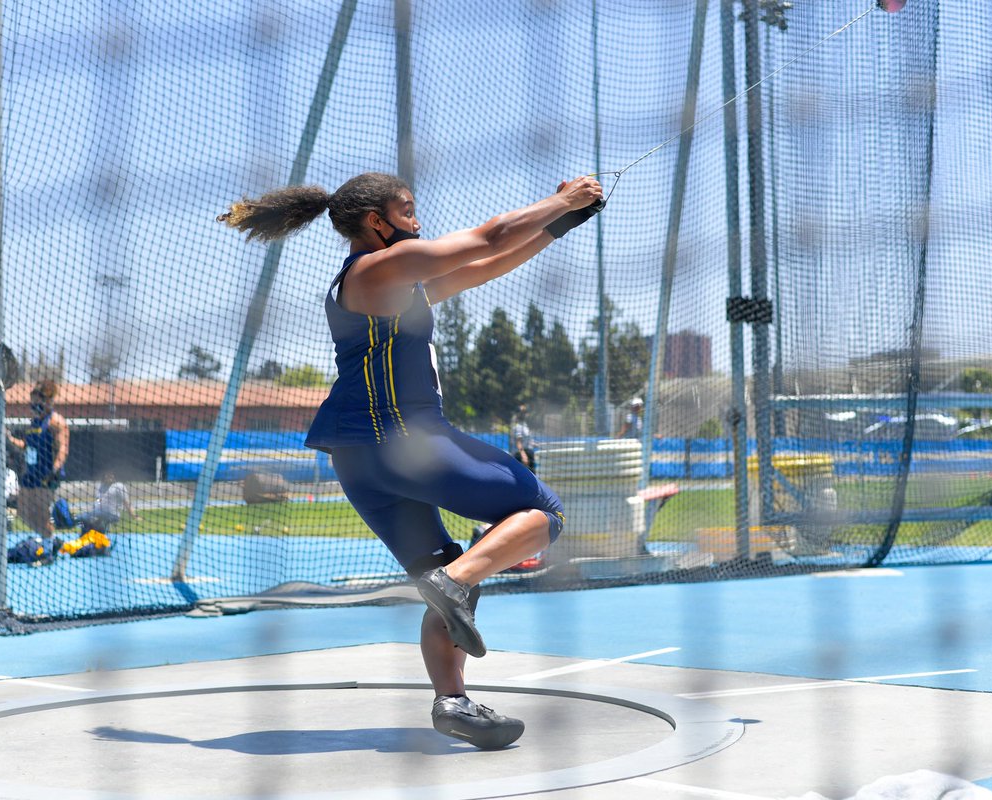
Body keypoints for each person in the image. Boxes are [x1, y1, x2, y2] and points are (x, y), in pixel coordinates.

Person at [220, 171, 603, 749]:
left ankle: (453, 701)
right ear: (377, 221)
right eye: (408, 209)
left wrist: (563, 220)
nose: (418, 220)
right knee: (542, 513)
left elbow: (486, 266)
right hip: (404, 442)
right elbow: (489, 237)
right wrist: (562, 198)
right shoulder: (379, 269)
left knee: (446, 568)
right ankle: (451, 584)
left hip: (359, 460)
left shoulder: (388, 282)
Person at [6, 379, 69, 555]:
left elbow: (63, 448)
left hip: (46, 475)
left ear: (48, 401)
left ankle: (48, 550)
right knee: (23, 514)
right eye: (32, 402)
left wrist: (55, 470)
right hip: (30, 473)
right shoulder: (34, 422)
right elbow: (26, 445)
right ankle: (51, 541)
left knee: (41, 515)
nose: (33, 406)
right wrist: (9, 439)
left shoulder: (56, 422)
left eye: (37, 402)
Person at [75, 469, 137, 534]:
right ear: (104, 475)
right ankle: (86, 536)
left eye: (112, 474)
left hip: (112, 514)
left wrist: (133, 515)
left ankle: (100, 537)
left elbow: (126, 502)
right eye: (108, 474)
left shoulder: (119, 486)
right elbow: (99, 499)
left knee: (97, 522)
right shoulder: (100, 486)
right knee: (79, 518)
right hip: (97, 512)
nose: (111, 476)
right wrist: (94, 507)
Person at [509, 403, 536, 473]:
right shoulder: (518, 426)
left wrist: (533, 443)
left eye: (525, 412)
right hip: (522, 456)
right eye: (522, 412)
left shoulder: (525, 426)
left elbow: (526, 440)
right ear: (518, 414)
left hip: (528, 454)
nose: (524, 414)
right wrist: (523, 455)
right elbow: (518, 442)